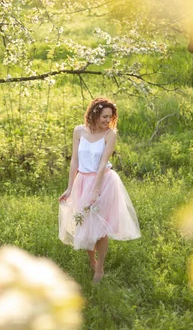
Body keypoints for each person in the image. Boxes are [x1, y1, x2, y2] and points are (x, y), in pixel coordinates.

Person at [58, 97, 141, 283]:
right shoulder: (79, 131)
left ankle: (100, 269)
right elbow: (74, 161)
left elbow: (103, 163)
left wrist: (95, 191)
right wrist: (70, 187)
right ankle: (91, 261)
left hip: (103, 182)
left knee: (100, 228)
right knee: (85, 226)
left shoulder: (109, 135)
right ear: (94, 114)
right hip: (82, 182)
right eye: (104, 117)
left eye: (110, 117)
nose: (107, 121)